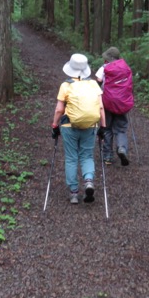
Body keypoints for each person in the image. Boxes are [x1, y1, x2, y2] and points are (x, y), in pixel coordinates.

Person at [52, 53, 106, 204]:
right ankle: (88, 181)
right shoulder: (94, 84)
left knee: (71, 158)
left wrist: (55, 126)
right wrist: (103, 127)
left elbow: (58, 110)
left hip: (69, 126)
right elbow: (101, 108)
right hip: (90, 126)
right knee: (87, 156)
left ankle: (74, 193)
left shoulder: (66, 85)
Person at [95, 47, 134, 166]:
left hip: (107, 101)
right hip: (122, 101)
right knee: (121, 128)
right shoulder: (126, 67)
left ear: (109, 58)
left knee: (107, 128)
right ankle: (122, 148)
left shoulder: (104, 67)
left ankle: (107, 156)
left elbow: (98, 80)